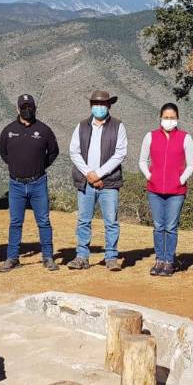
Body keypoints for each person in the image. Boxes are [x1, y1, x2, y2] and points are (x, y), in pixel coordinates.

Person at [0, 94, 60, 272]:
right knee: (15, 222)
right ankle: (12, 258)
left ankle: (48, 257)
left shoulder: (44, 130)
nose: (27, 110)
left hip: (38, 183)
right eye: (24, 107)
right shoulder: (8, 130)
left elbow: (53, 152)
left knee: (43, 221)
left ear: (35, 108)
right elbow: (3, 153)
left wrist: (40, 165)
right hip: (16, 184)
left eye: (30, 107)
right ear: (17, 109)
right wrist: (16, 166)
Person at [67, 90, 127, 271]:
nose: (99, 107)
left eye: (102, 104)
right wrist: (88, 174)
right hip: (86, 182)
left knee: (111, 222)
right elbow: (74, 152)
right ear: (91, 106)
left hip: (109, 183)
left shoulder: (118, 126)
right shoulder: (82, 126)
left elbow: (120, 153)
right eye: (95, 104)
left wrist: (99, 174)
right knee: (84, 221)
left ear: (109, 105)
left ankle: (111, 257)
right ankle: (82, 257)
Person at [139, 102, 193, 277]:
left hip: (176, 192)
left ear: (177, 119)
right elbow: (142, 161)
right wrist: (150, 176)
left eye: (172, 118)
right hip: (154, 190)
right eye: (166, 117)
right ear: (160, 118)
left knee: (170, 227)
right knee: (158, 226)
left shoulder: (185, 138)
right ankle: (159, 260)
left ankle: (169, 261)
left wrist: (180, 180)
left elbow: (191, 164)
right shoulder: (150, 136)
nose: (169, 121)